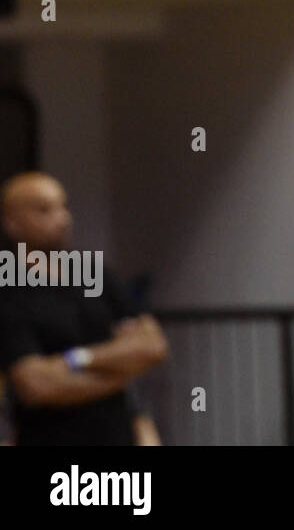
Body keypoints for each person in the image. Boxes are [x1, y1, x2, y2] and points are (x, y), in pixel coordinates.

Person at [0, 172, 168, 445]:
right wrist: (120, 371)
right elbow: (36, 385)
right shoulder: (9, 289)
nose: (63, 218)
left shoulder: (95, 275)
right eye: (44, 210)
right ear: (12, 223)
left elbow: (152, 345)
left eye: (64, 207)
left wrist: (73, 361)